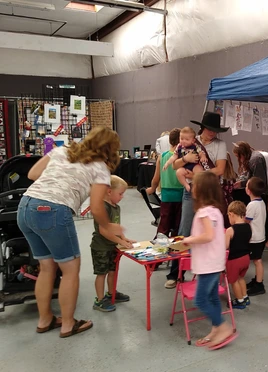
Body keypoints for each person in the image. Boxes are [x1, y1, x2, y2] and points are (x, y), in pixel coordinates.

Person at [17, 127, 124, 338]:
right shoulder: (100, 167)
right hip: (53, 210)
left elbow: (32, 174)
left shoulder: (62, 150)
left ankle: (45, 319)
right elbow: (97, 207)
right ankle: (67, 324)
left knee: (46, 268)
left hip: (25, 207)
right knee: (70, 270)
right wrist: (109, 226)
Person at [166, 112, 228, 289]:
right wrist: (186, 159)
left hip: (209, 191)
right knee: (185, 229)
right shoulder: (190, 140)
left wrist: (197, 175)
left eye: (215, 130)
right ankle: (175, 273)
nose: (213, 133)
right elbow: (176, 164)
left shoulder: (220, 144)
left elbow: (220, 169)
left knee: (211, 231)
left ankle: (209, 271)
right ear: (203, 127)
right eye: (210, 129)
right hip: (191, 190)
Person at [183, 171, 236, 349]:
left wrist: (188, 240)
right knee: (212, 298)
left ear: (202, 189)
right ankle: (216, 329)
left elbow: (208, 235)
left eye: (194, 185)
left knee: (201, 300)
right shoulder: (214, 211)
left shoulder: (205, 212)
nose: (191, 188)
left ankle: (222, 326)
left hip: (208, 264)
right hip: (213, 262)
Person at [91, 175, 135, 312]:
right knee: (101, 273)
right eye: (120, 194)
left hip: (112, 246)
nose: (122, 197)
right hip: (101, 247)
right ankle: (99, 300)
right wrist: (121, 241)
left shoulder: (116, 207)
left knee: (112, 271)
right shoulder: (103, 208)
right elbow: (104, 231)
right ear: (109, 192)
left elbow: (116, 226)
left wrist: (124, 238)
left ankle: (111, 293)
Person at [146, 128, 183, 238]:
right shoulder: (183, 158)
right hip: (180, 195)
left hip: (166, 195)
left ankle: (160, 242)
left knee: (164, 224)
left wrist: (152, 189)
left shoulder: (162, 157)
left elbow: (156, 178)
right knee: (178, 225)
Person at [162, 127, 209, 192]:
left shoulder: (195, 146)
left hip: (194, 165)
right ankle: (186, 184)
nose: (183, 141)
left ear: (193, 140)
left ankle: (197, 186)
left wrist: (203, 157)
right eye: (181, 139)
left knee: (199, 170)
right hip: (184, 167)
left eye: (187, 139)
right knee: (179, 172)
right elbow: (174, 156)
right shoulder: (179, 146)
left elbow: (201, 152)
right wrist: (167, 163)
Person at [225, 201, 252, 309]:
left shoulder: (230, 230)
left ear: (231, 214)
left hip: (234, 260)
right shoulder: (248, 227)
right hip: (246, 258)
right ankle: (245, 297)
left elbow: (225, 246)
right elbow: (248, 240)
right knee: (241, 278)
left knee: (233, 280)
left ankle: (239, 301)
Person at [244, 177, 268, 296]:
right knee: (257, 260)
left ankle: (259, 284)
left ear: (248, 191)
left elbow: (246, 221)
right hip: (260, 237)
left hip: (254, 239)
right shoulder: (261, 202)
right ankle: (257, 280)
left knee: (257, 261)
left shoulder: (252, 205)